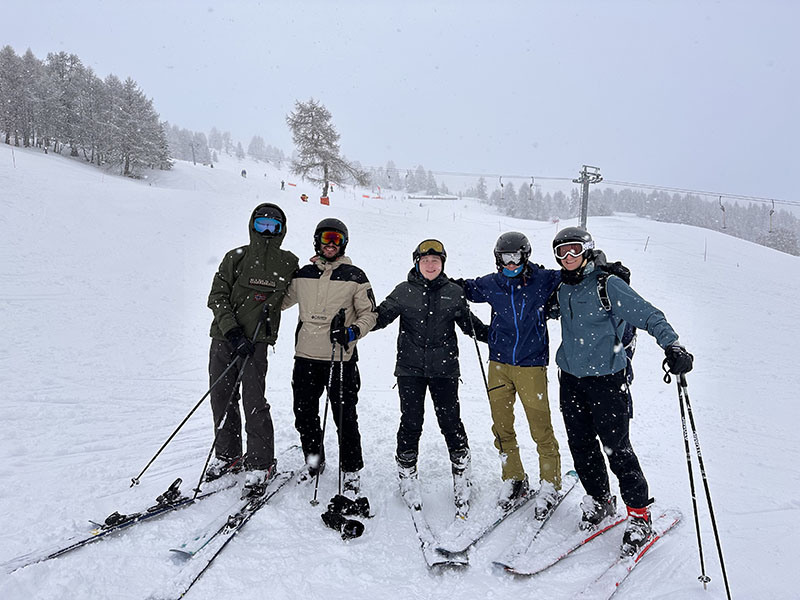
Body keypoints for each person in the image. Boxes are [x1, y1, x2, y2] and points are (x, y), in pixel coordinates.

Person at [549, 226, 694, 556]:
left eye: (574, 250)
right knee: (581, 446)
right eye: (562, 252)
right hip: (570, 379)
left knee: (618, 450)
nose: (568, 257)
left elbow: (649, 315)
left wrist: (672, 345)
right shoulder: (561, 288)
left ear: (587, 251)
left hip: (607, 382)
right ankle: (600, 500)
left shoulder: (607, 285)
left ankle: (640, 516)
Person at [372, 240, 488, 516]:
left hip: (444, 370)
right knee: (411, 421)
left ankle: (461, 472)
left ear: (443, 264)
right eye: (426, 261)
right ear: (417, 263)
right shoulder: (404, 291)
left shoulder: (454, 293)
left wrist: (498, 336)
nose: (431, 265)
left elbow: (470, 325)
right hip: (410, 370)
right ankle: (407, 472)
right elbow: (379, 318)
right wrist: (353, 323)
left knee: (450, 421)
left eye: (436, 261)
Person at [458, 232, 563, 517]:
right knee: (502, 427)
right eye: (506, 257)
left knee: (540, 428)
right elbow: (465, 288)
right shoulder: (492, 284)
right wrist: (444, 284)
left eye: (516, 256)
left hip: (531, 366)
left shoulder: (542, 280)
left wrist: (603, 266)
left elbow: (572, 272)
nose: (511, 262)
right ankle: (514, 477)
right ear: (497, 258)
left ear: (526, 256)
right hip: (499, 365)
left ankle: (550, 483)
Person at [205, 203, 299, 494]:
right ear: (252, 225)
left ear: (282, 230)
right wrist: (232, 331)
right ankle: (228, 455)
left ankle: (261, 462)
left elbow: (305, 287)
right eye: (262, 225)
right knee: (222, 397)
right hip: (225, 338)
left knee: (253, 400)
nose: (268, 231)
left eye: (274, 226)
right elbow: (217, 296)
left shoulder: (288, 262)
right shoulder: (236, 257)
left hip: (257, 342)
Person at [281, 218, 377, 499]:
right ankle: (314, 461)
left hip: (341, 359)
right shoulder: (303, 275)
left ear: (344, 242)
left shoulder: (355, 276)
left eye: (336, 238)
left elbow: (370, 313)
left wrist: (351, 332)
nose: (331, 244)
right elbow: (281, 301)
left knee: (345, 417)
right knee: (305, 414)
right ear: (317, 242)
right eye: (326, 238)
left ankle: (351, 471)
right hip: (306, 357)